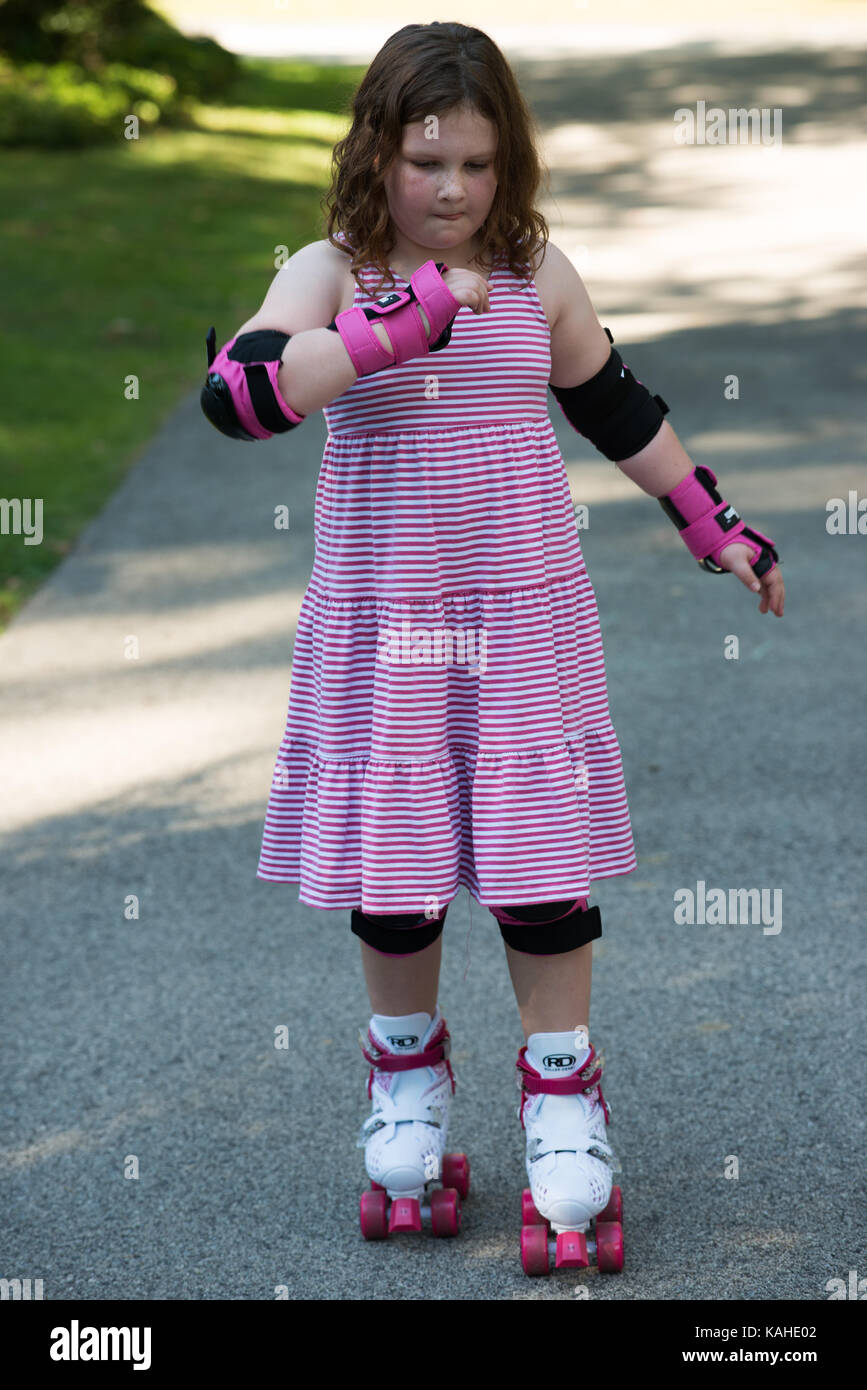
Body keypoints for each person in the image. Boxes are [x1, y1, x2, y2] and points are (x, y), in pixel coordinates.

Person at [201, 22, 785, 1254]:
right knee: (397, 872)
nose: (453, 190)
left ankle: (563, 1102)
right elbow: (241, 396)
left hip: (521, 625)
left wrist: (711, 523)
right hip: (387, 630)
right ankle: (404, 1087)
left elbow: (617, 406)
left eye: (475, 163)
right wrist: (401, 324)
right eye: (426, 162)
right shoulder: (331, 271)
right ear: (378, 155)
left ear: (507, 162)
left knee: (539, 872)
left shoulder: (538, 273)